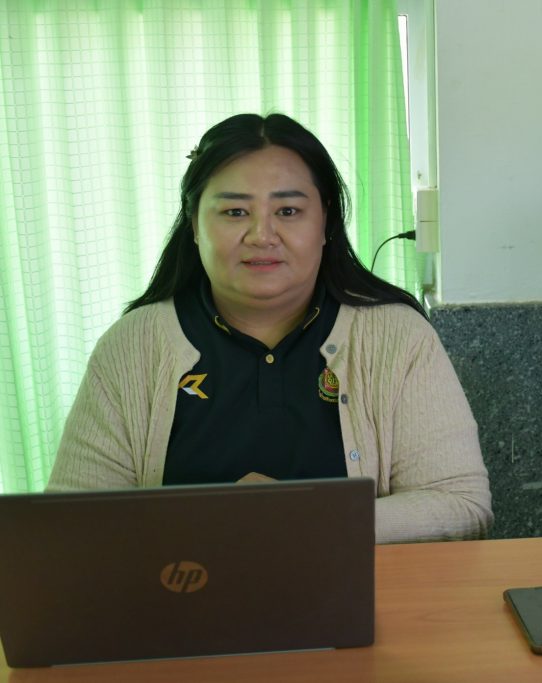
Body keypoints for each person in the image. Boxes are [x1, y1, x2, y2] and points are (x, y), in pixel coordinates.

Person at [48, 113, 493, 544]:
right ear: (195, 225)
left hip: (357, 593)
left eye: (288, 210)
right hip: (181, 593)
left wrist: (297, 518)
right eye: (235, 212)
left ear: (326, 223)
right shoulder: (132, 346)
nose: (262, 235)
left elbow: (461, 505)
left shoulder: (397, 338)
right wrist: (216, 522)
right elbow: (70, 524)